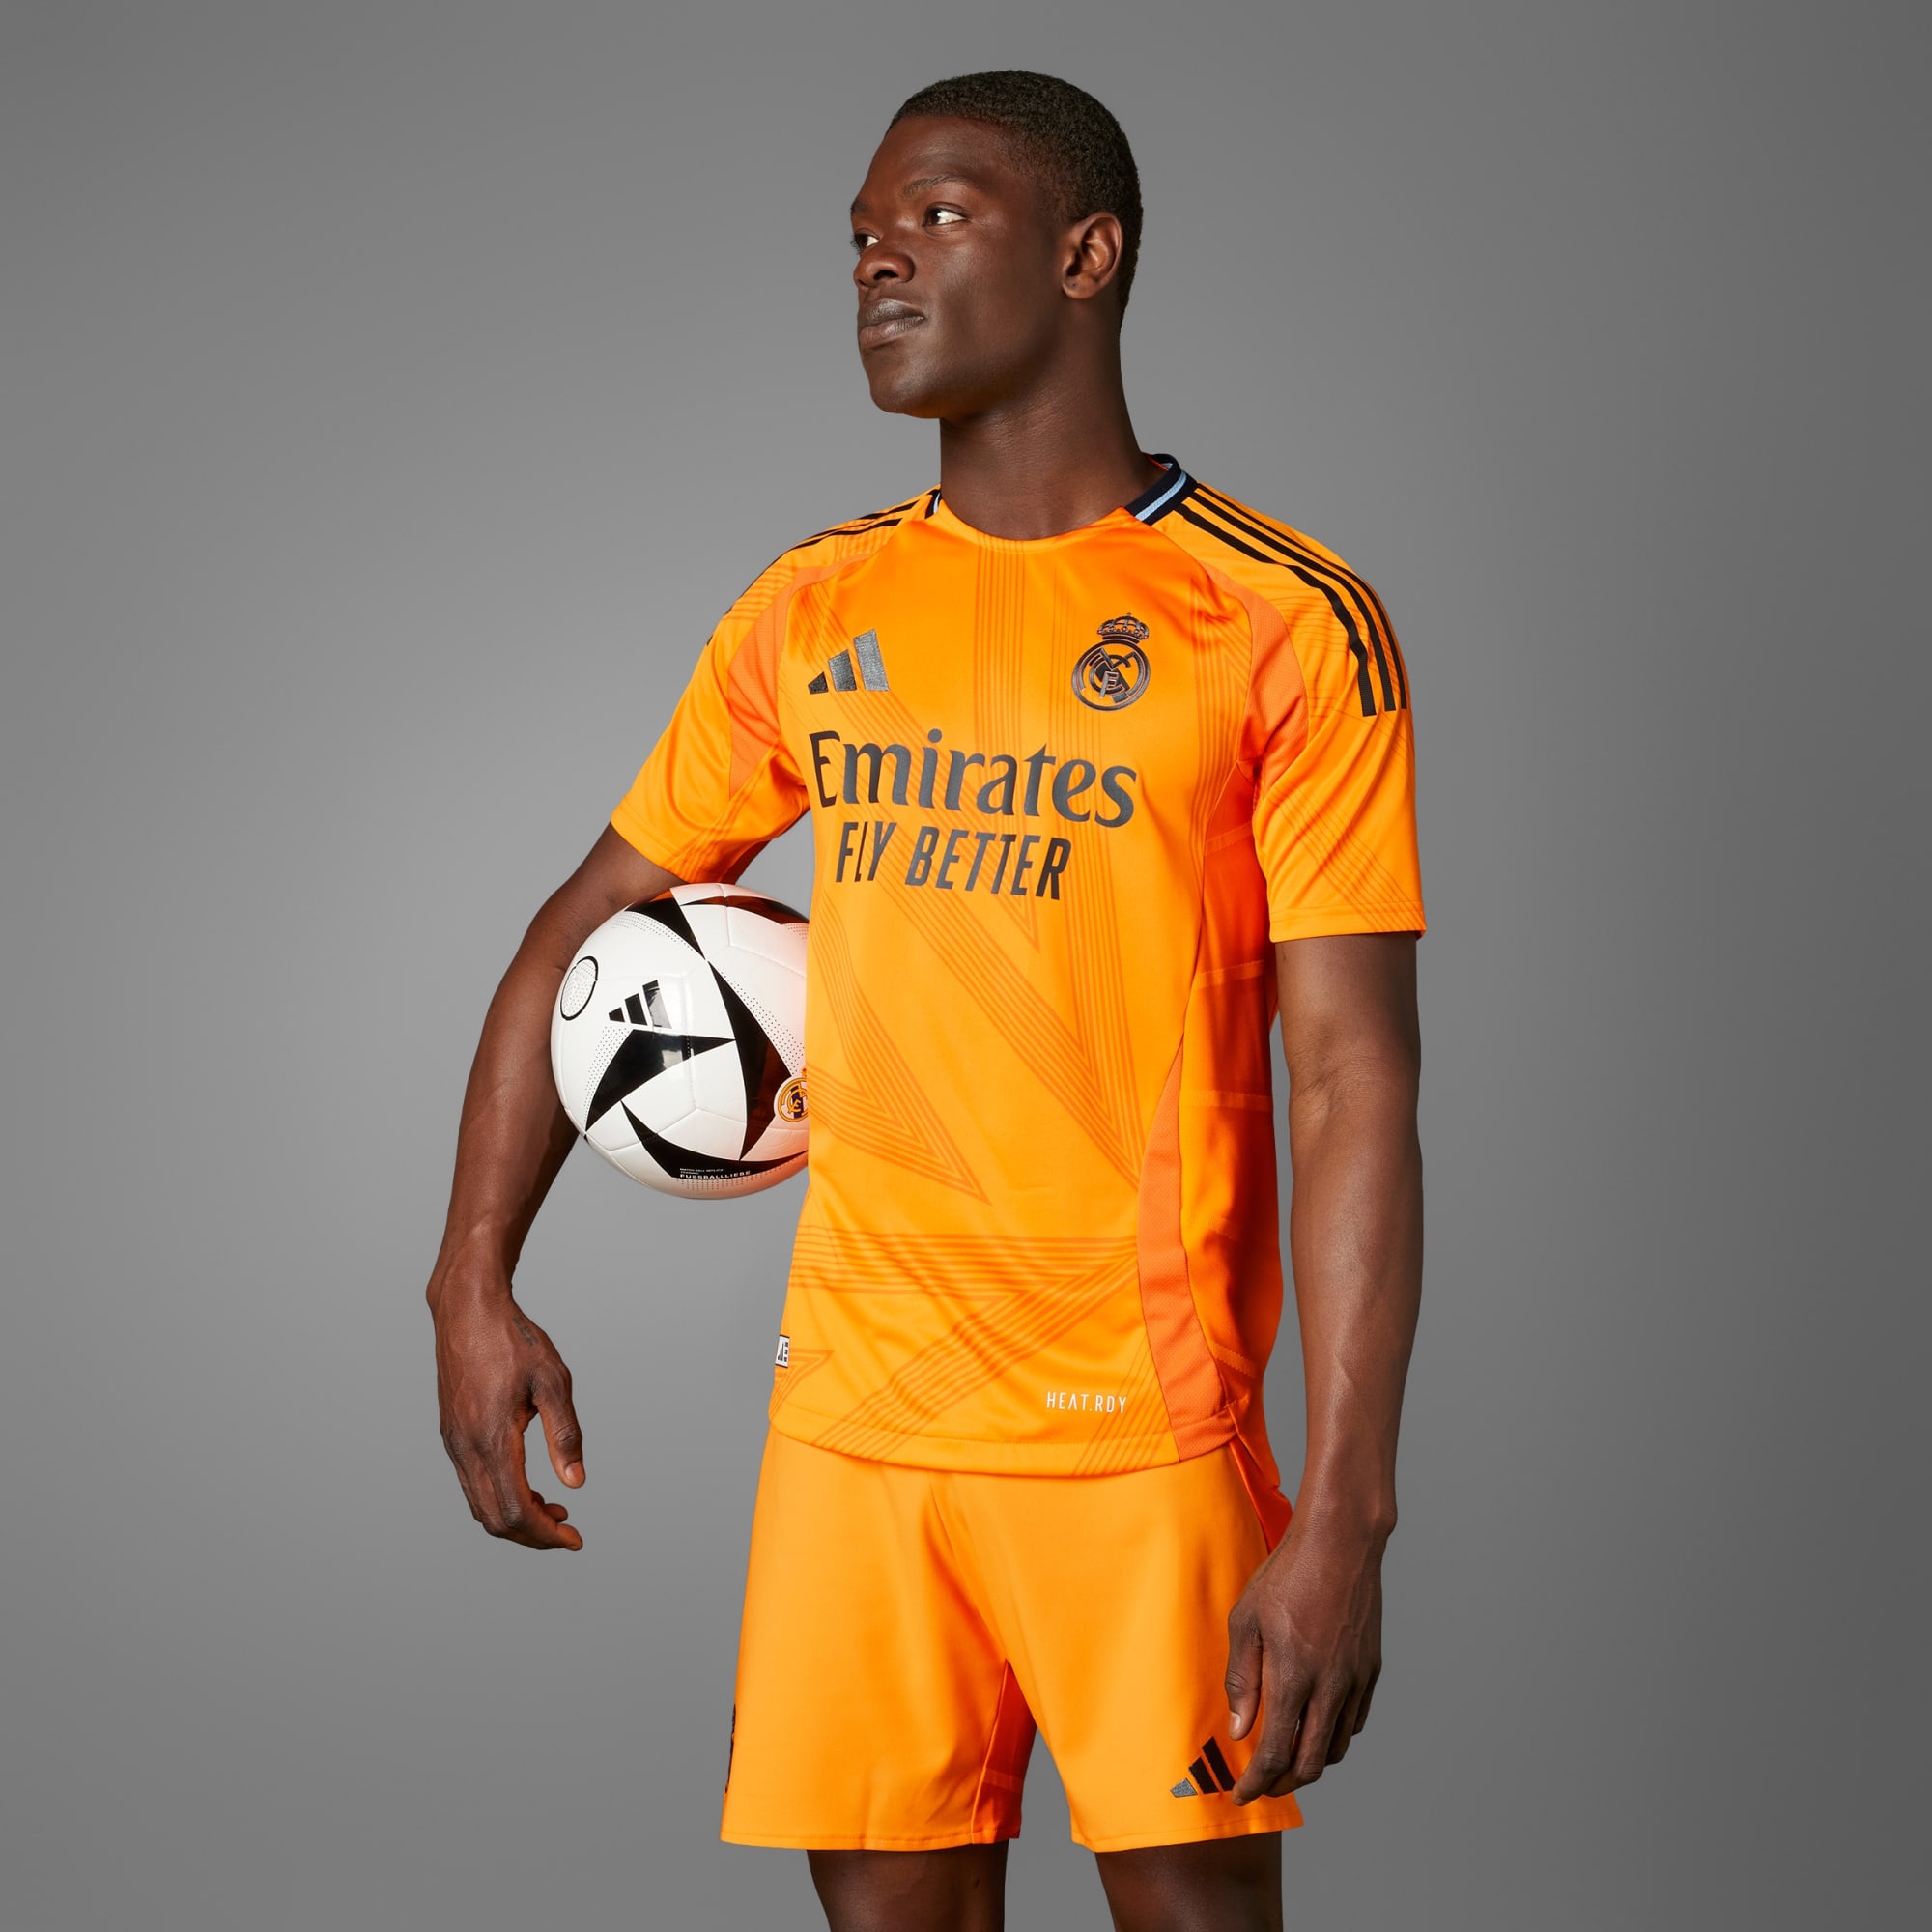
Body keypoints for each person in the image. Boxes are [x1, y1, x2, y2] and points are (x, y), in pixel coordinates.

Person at [426, 69, 1425, 1932]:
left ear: (1087, 255)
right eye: (862, 233)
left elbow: (1352, 1083)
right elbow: (582, 926)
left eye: (941, 215)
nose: (879, 256)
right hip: (856, 1423)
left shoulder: (1282, 618)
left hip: (1136, 1430)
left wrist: (1349, 1508)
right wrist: (470, 1275)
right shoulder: (814, 607)